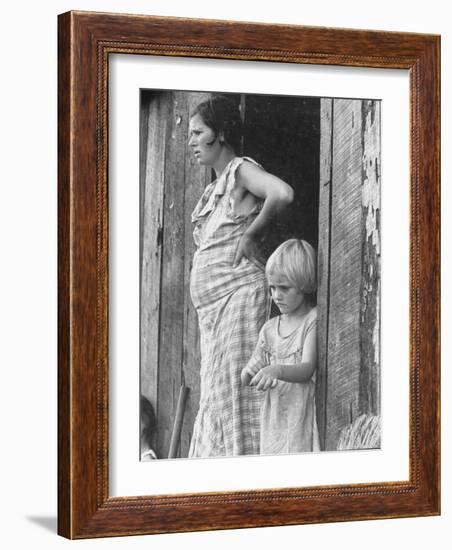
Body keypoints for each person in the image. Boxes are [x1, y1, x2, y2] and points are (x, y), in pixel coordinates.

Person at [188, 94, 294, 457]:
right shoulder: (210, 193)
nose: (191, 142)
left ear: (219, 133)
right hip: (215, 319)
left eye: (197, 132)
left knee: (237, 401)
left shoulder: (240, 171)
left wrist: (251, 234)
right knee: (218, 403)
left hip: (241, 303)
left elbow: (281, 193)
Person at [241, 239, 320, 454]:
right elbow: (256, 365)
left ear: (304, 284)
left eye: (284, 288)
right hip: (274, 415)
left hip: (298, 413)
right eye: (272, 288)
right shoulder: (269, 329)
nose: (276, 295)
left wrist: (276, 370)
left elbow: (307, 367)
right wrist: (248, 374)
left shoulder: (312, 319)